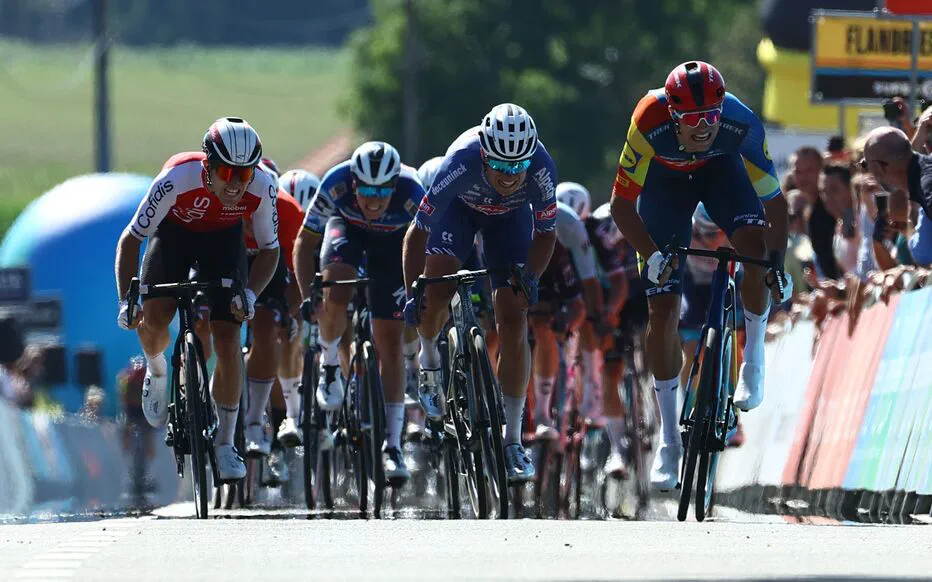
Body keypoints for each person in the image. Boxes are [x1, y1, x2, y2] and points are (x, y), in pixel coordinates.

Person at [609, 62, 790, 490]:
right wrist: (650, 254)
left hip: (720, 174)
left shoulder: (740, 122)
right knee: (663, 308)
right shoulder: (647, 119)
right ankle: (669, 442)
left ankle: (753, 362)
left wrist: (777, 261)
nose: (704, 126)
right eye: (692, 120)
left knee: (753, 247)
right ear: (673, 115)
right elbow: (620, 207)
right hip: (664, 185)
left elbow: (776, 204)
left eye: (711, 115)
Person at [115, 116, 280, 481]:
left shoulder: (263, 186)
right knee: (154, 316)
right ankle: (157, 371)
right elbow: (131, 240)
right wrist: (127, 300)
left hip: (223, 241)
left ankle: (225, 443)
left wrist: (250, 294)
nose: (236, 184)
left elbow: (270, 250)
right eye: (226, 172)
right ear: (208, 165)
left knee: (227, 333)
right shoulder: (177, 178)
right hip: (172, 235)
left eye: (245, 173)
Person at [402, 103, 558, 483]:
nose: (509, 175)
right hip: (459, 213)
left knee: (513, 316)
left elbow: (546, 234)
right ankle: (429, 364)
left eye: (517, 167)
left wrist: (532, 277)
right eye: (501, 166)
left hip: (510, 222)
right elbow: (417, 233)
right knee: (436, 292)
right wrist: (412, 292)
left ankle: (512, 441)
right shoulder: (461, 160)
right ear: (486, 155)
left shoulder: (540, 168)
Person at [293, 141, 425, 483]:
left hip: (395, 246)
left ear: (394, 185)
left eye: (382, 192)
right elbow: (304, 242)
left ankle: (392, 446)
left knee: (390, 342)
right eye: (366, 190)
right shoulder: (335, 183)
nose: (374, 200)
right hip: (346, 232)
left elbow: (431, 242)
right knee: (336, 285)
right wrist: (310, 292)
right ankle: (331, 367)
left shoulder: (413, 192)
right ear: (353, 183)